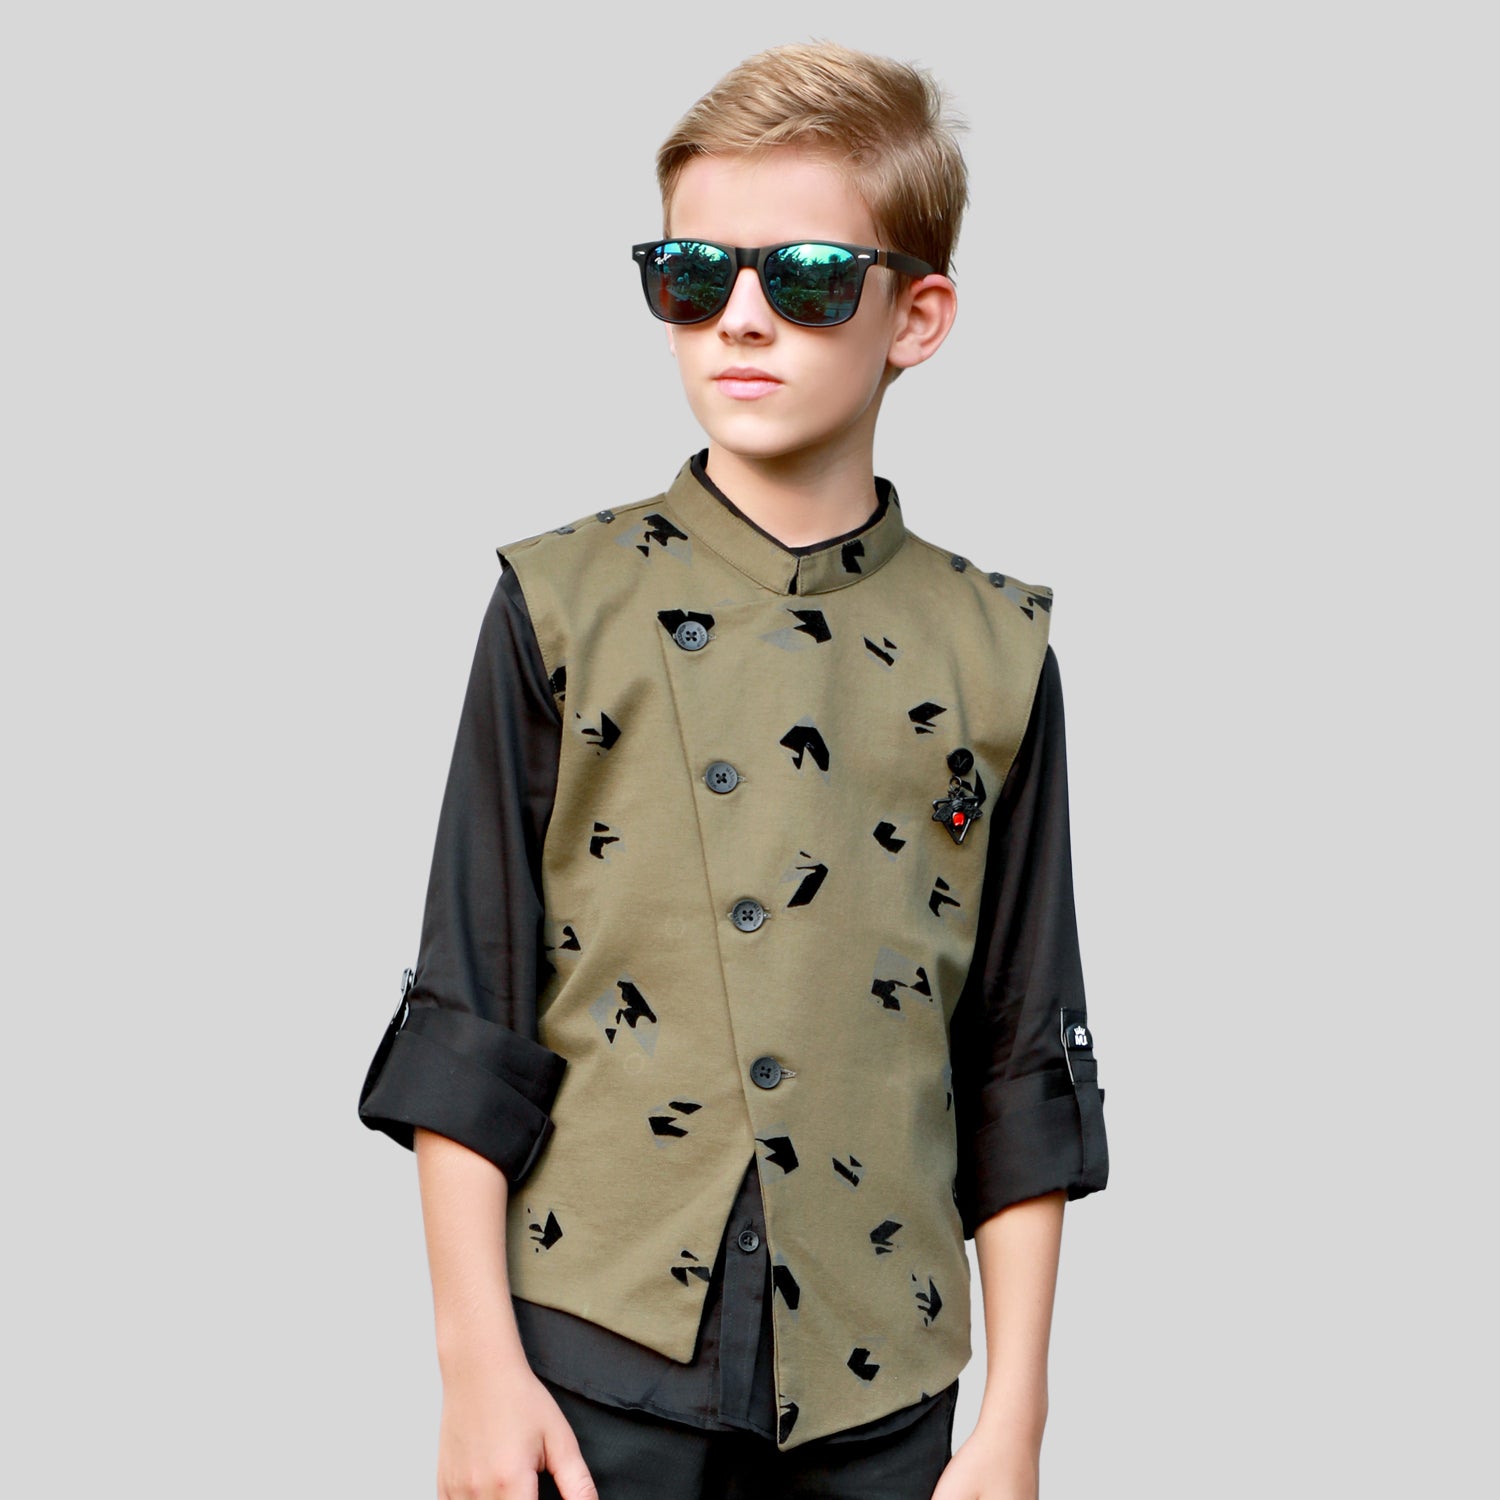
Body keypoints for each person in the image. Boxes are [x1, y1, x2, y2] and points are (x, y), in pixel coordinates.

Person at [358, 40, 1108, 1500]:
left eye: (808, 277)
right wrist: (475, 1369)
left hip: (884, 1386)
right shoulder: (561, 608)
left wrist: (1016, 1417)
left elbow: (1021, 1054)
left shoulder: (994, 650)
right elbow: (469, 1013)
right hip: (588, 1363)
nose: (741, 319)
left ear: (916, 314)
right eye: (693, 275)